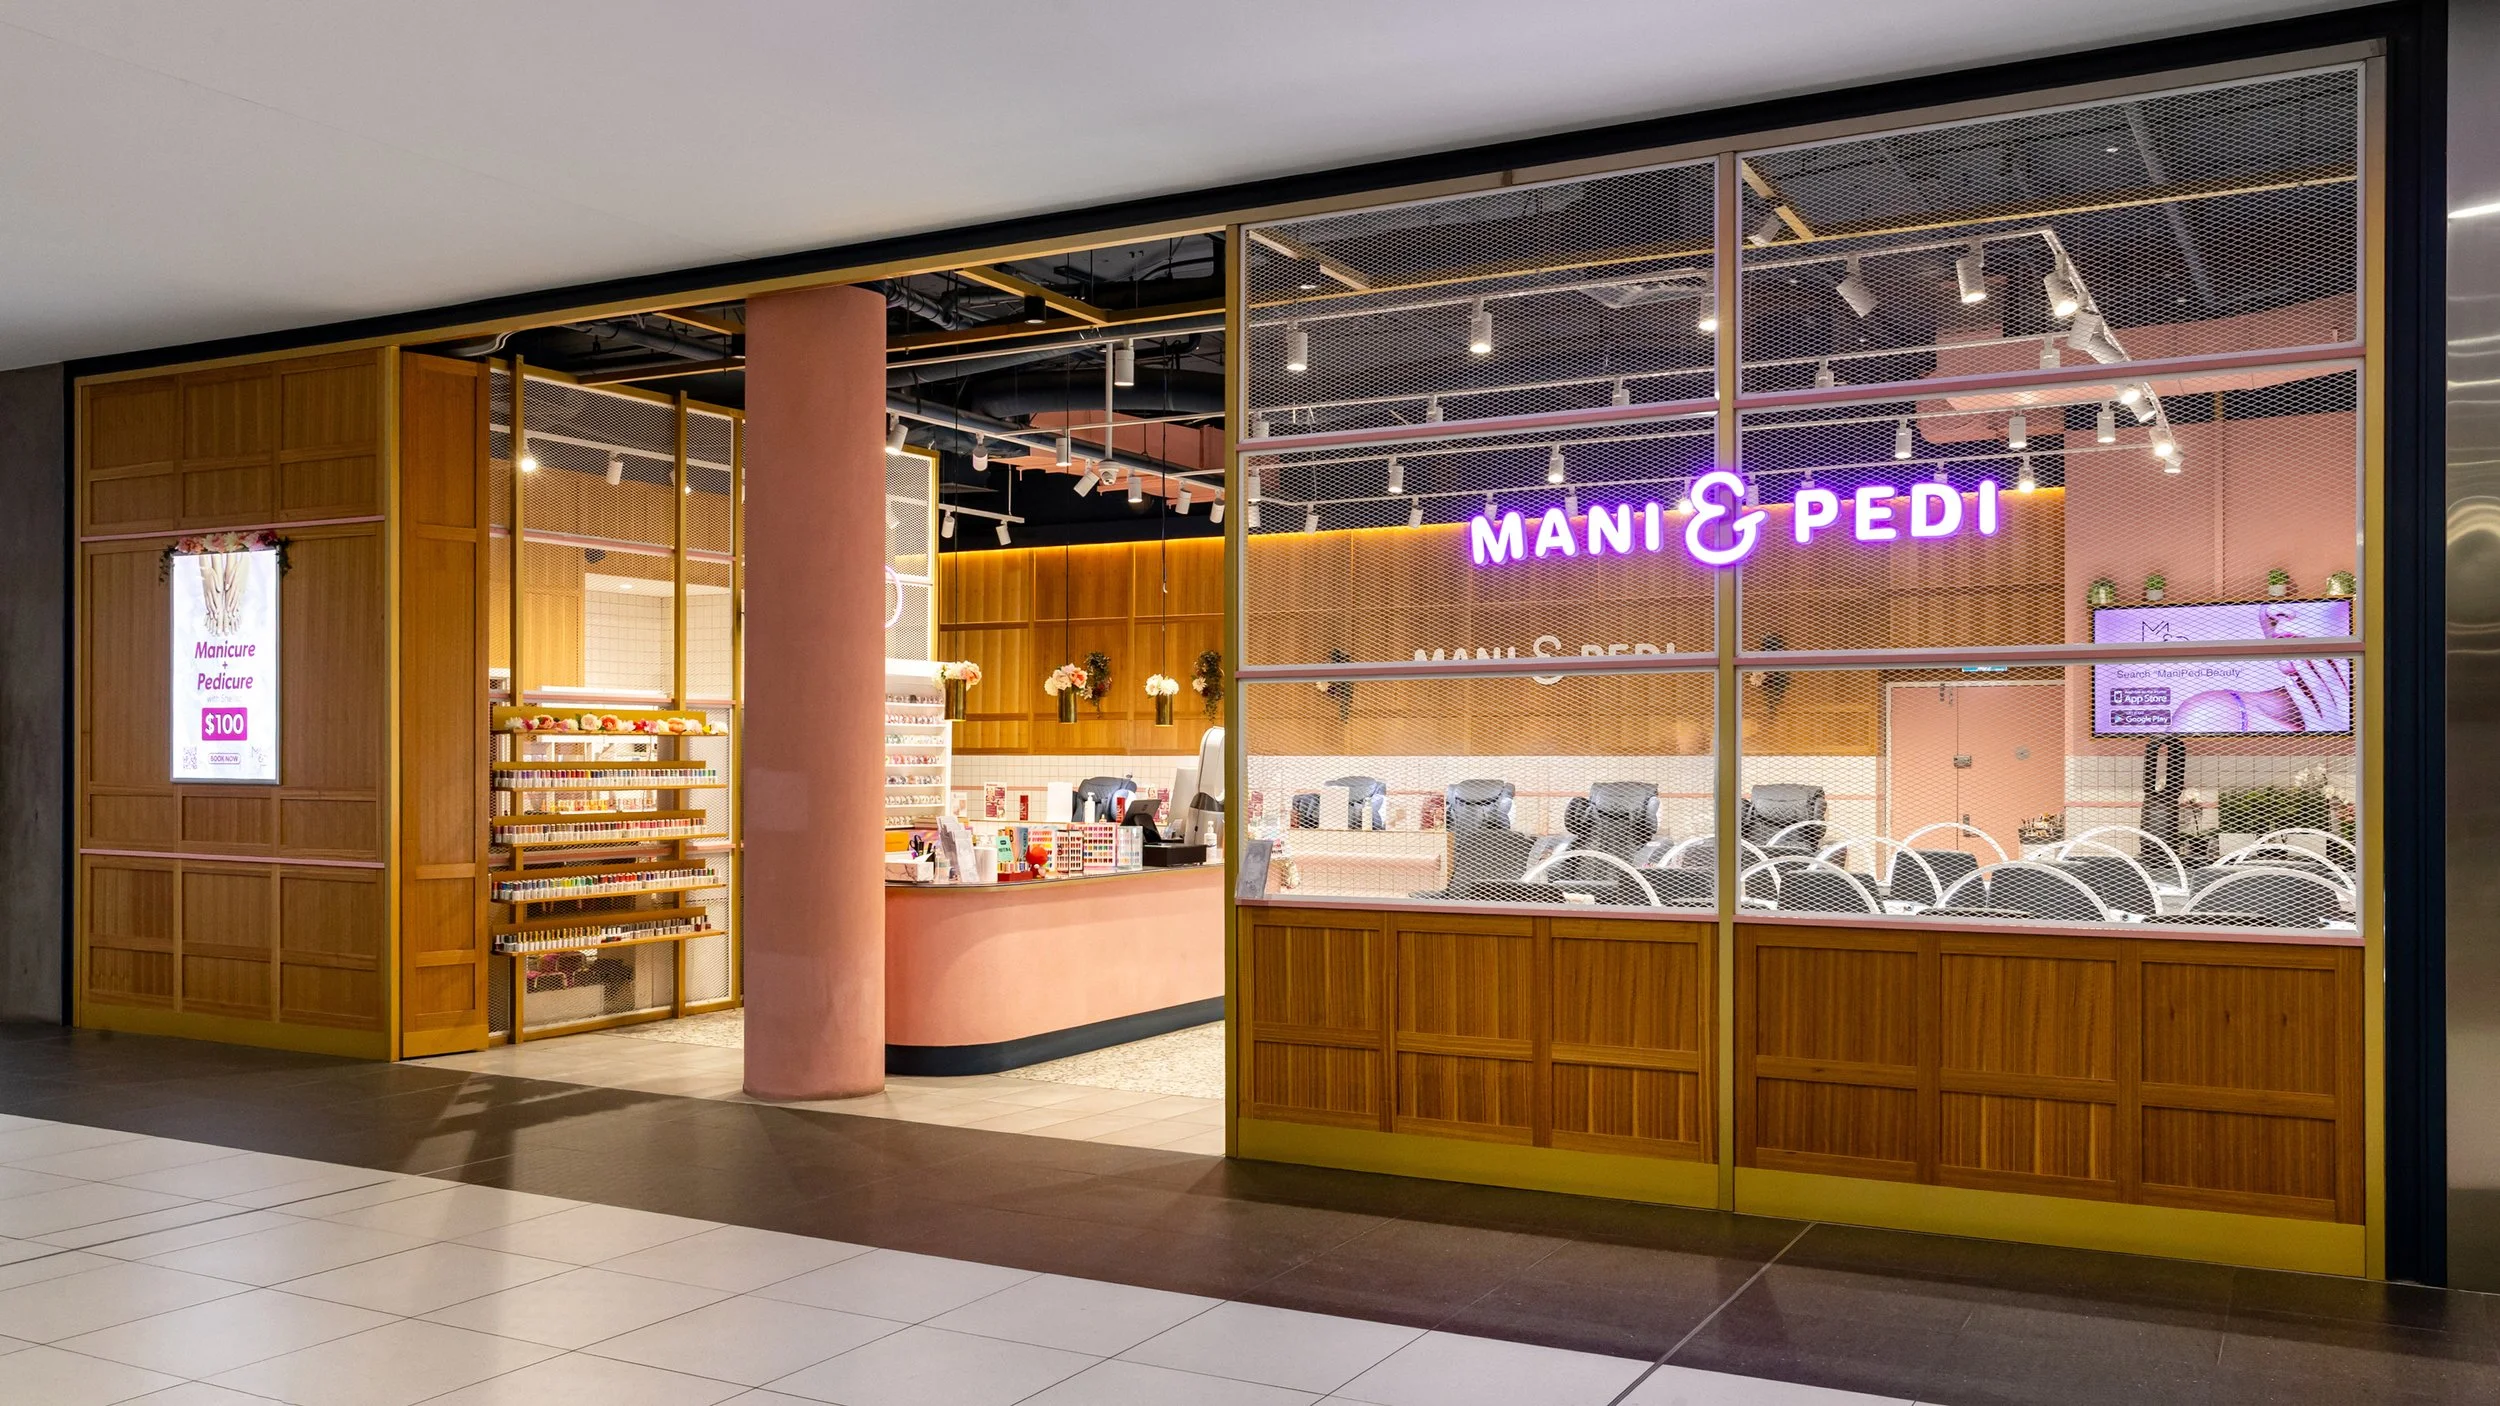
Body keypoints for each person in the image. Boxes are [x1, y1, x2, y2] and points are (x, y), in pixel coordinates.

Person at [2169, 601, 2351, 733]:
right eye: (2266, 601)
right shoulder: (2211, 715)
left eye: (2311, 597)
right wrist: (2325, 743)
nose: (2273, 611)